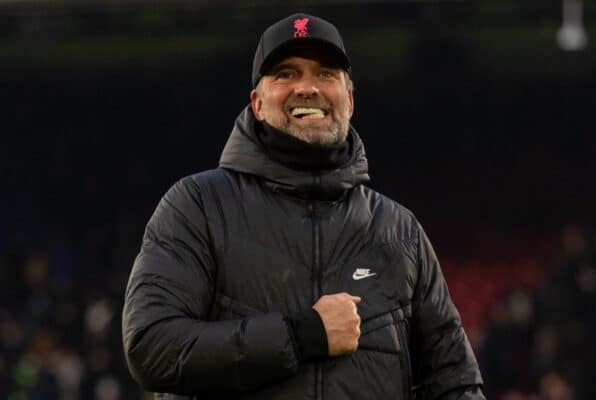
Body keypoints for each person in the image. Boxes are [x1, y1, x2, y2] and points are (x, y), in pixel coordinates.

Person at [122, 13, 485, 400]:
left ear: (349, 99)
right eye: (286, 74)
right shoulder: (197, 207)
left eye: (326, 73)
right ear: (257, 103)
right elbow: (151, 347)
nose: (307, 87)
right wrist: (300, 335)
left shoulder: (400, 231)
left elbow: (454, 382)